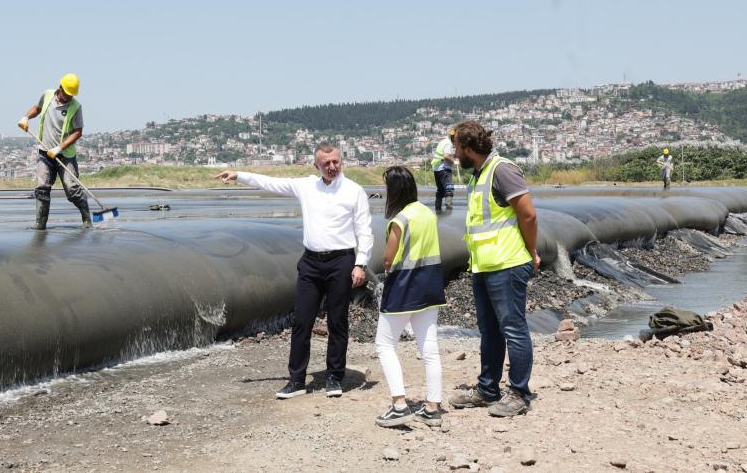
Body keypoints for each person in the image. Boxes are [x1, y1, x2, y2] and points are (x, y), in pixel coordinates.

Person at [217, 143, 373, 399]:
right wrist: (239, 175)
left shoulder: (354, 191)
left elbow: (365, 231)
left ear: (341, 161)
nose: (332, 167)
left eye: (335, 162)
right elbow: (272, 183)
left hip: (341, 262)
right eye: (326, 163)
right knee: (301, 322)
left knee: (337, 322)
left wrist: (361, 263)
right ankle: (297, 380)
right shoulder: (306, 186)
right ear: (316, 165)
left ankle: (335, 377)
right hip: (311, 263)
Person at [447, 120, 540, 418]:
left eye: (457, 148)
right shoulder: (478, 174)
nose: (455, 153)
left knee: (513, 328)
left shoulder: (502, 170)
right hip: (484, 266)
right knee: (489, 330)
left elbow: (528, 215)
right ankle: (488, 389)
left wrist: (531, 251)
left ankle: (519, 393)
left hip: (508, 264)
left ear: (470, 148)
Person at [372, 166, 446, 428]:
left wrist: (389, 268)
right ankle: (433, 407)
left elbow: (388, 258)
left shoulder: (400, 220)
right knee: (429, 348)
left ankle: (399, 404)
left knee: (384, 344)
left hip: (404, 288)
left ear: (393, 191)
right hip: (431, 285)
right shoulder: (427, 213)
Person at [17, 73, 91, 230]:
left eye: (71, 95)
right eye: (67, 94)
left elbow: (78, 132)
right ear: (60, 88)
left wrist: (59, 147)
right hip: (45, 152)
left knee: (72, 189)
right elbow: (37, 108)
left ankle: (86, 217)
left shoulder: (76, 107)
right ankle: (40, 223)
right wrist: (26, 117)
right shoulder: (48, 95)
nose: (69, 97)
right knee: (41, 186)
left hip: (65, 155)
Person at [431, 129, 458, 213]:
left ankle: (437, 208)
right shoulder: (448, 144)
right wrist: (454, 161)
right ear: (454, 137)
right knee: (449, 188)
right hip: (444, 169)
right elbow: (446, 156)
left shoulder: (443, 142)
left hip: (436, 168)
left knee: (440, 190)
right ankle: (449, 209)